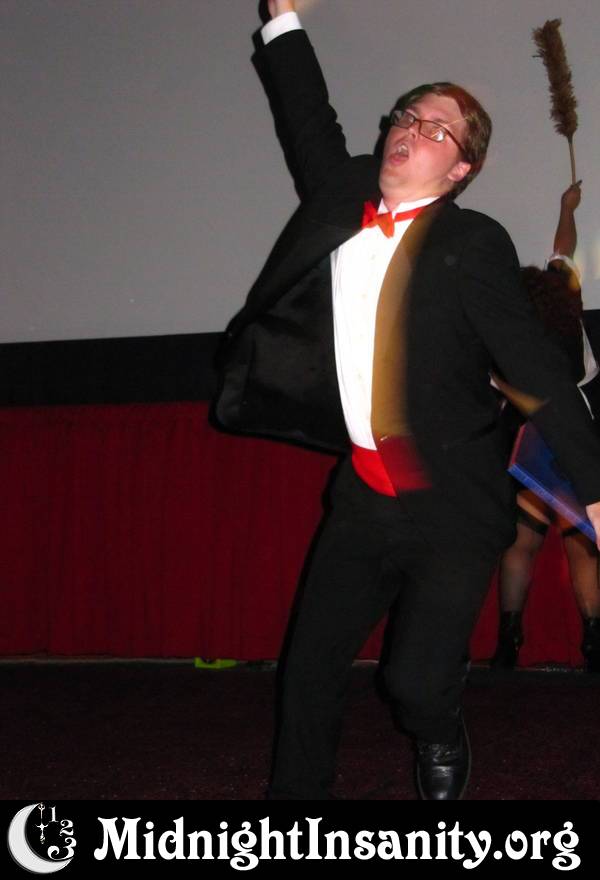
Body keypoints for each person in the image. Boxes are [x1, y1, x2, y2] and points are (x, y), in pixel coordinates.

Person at [215, 0, 600, 800]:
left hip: (453, 501)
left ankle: (439, 722)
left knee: (413, 682)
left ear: (462, 169)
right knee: (308, 671)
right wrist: (283, 17)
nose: (412, 129)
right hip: (364, 495)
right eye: (407, 115)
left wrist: (595, 490)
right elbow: (305, 116)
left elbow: (536, 372)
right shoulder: (341, 197)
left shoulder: (472, 242)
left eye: (437, 129)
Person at [492, 182, 600, 672]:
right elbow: (564, 250)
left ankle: (508, 643)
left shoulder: (511, 337)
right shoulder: (568, 313)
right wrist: (566, 208)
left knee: (521, 544)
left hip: (529, 442)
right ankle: (594, 644)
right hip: (575, 434)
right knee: (581, 546)